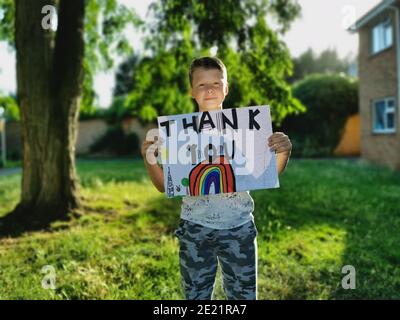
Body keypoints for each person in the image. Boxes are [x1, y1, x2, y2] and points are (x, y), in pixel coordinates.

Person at [141, 56, 292, 300]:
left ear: (226, 88)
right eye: (201, 84)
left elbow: (265, 174)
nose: (209, 89)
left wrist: (283, 152)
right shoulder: (179, 134)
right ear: (192, 91)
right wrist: (148, 157)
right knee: (195, 297)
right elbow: (163, 185)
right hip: (195, 229)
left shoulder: (246, 129)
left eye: (216, 83)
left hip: (239, 227)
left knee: (243, 297)